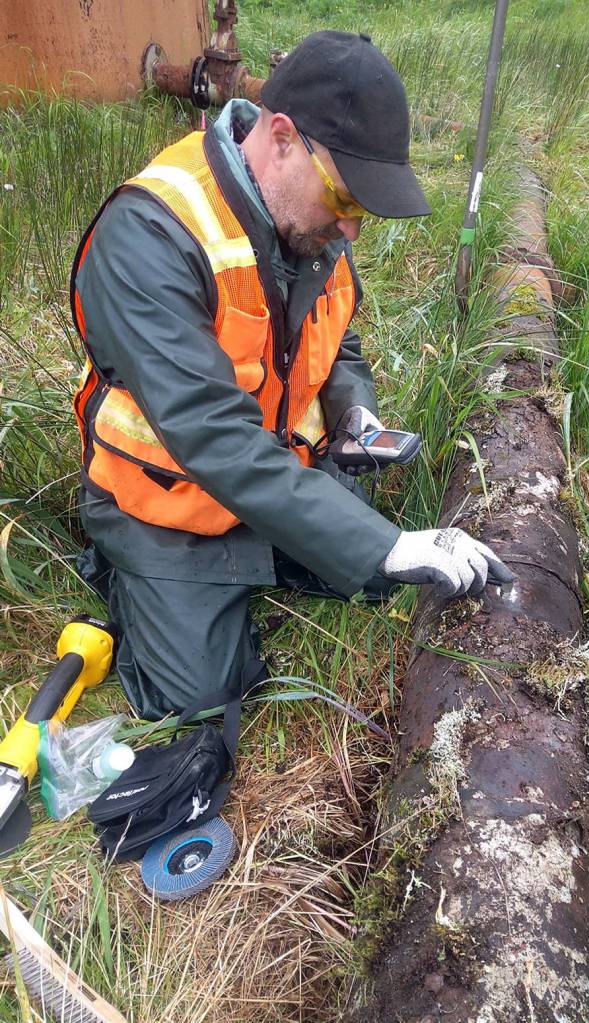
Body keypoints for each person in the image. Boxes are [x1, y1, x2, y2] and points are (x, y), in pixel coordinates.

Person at [70, 30, 513, 720]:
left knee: (374, 578)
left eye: (363, 210)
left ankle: (268, 553)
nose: (352, 231)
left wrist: (355, 416)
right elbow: (216, 438)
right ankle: (123, 573)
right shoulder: (151, 237)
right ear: (280, 138)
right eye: (345, 197)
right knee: (206, 700)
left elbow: (340, 344)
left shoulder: (310, 225)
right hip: (165, 506)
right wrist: (384, 542)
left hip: (276, 474)